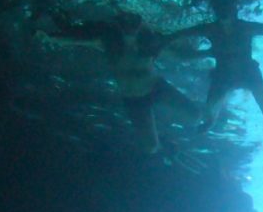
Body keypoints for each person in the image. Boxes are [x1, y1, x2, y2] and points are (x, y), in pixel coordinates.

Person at [45, 10, 201, 154]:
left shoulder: (150, 44)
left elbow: (179, 56)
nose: (130, 28)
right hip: (134, 99)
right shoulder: (110, 44)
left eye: (133, 23)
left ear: (140, 26)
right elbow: (76, 40)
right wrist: (51, 37)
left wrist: (205, 54)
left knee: (195, 116)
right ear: (119, 26)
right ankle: (164, 139)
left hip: (156, 88)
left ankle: (163, 126)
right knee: (151, 147)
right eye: (126, 24)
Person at [165, 0, 263, 140]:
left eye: (226, 8)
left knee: (260, 91)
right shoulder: (212, 29)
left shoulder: (241, 28)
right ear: (216, 10)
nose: (224, 12)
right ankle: (212, 120)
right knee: (213, 102)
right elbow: (179, 34)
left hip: (244, 70)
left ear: (234, 9)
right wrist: (162, 42)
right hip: (225, 73)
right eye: (220, 8)